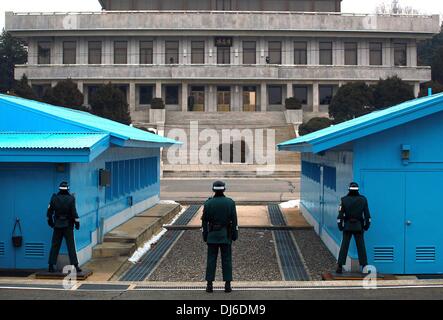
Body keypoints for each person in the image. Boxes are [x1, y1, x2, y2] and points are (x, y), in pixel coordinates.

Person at [201, 181, 238, 293]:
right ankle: (227, 285)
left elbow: (204, 222)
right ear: (224, 190)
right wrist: (234, 235)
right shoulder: (230, 203)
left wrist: (205, 235)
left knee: (211, 260)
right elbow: (234, 220)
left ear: (213, 190)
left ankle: (209, 285)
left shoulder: (208, 203)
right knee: (226, 260)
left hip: (212, 235)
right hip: (225, 235)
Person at [336, 182, 371, 274]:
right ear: (358, 190)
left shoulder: (344, 200)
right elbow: (367, 215)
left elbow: (340, 215)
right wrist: (366, 226)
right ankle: (364, 266)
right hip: (359, 226)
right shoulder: (363, 200)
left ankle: (339, 266)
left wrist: (340, 226)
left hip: (347, 226)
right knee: (361, 246)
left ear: (349, 189)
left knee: (344, 246)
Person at [47, 181, 81, 273]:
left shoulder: (54, 198)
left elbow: (49, 211)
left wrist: (50, 221)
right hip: (68, 226)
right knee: (71, 246)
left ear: (59, 189)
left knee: (55, 245)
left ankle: (51, 266)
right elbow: (74, 213)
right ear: (68, 189)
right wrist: (77, 223)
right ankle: (76, 266)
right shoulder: (71, 199)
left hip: (57, 225)